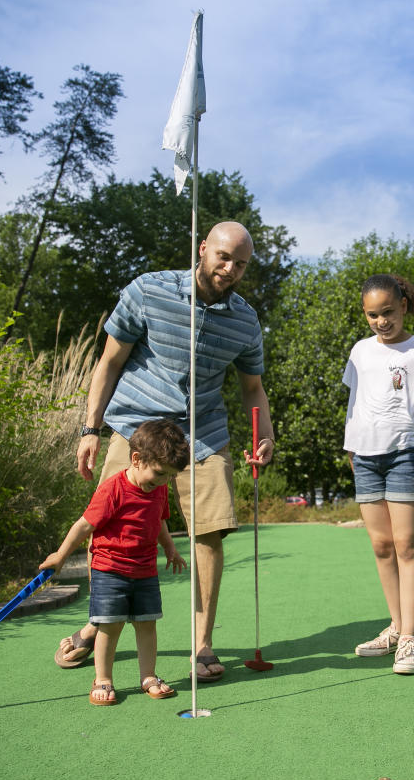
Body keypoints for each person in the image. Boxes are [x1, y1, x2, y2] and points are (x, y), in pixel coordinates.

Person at [55, 220, 277, 683]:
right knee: (112, 524)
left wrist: (265, 435)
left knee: (209, 534)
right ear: (202, 249)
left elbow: (252, 388)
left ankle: (201, 644)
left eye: (240, 263)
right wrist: (90, 428)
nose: (230, 268)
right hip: (136, 426)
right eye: (222, 256)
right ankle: (99, 623)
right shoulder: (148, 290)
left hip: (204, 432)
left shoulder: (245, 319)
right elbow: (110, 361)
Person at [39, 418, 190, 705]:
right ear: (136, 459)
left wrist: (170, 549)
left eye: (169, 476)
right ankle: (103, 679)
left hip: (145, 570)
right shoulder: (113, 490)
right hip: (110, 570)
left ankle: (148, 675)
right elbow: (83, 526)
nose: (163, 482)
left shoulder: (157, 488)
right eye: (160, 474)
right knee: (110, 625)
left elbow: (159, 520)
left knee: (147, 624)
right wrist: (60, 556)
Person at [343, 274, 414, 675]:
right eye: (373, 315)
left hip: (408, 454)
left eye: (388, 312)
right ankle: (395, 626)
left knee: (407, 546)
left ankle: (409, 640)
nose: (381, 321)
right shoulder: (360, 352)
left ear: (404, 304)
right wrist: (351, 446)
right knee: (382, 546)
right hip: (365, 457)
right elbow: (356, 401)